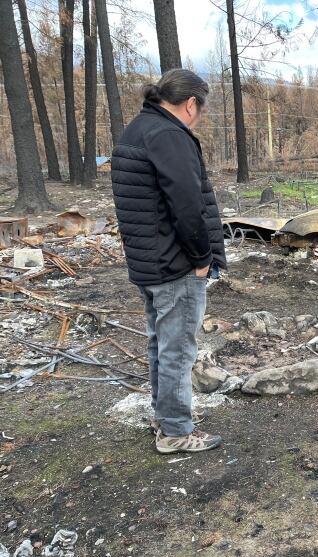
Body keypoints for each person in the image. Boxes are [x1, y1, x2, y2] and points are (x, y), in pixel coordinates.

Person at [111, 69, 226, 454]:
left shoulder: (139, 129)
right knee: (177, 349)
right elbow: (188, 206)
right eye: (202, 109)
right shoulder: (169, 136)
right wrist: (201, 258)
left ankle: (164, 415)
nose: (200, 117)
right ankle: (176, 430)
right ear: (191, 103)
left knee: (161, 344)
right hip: (175, 264)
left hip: (149, 261)